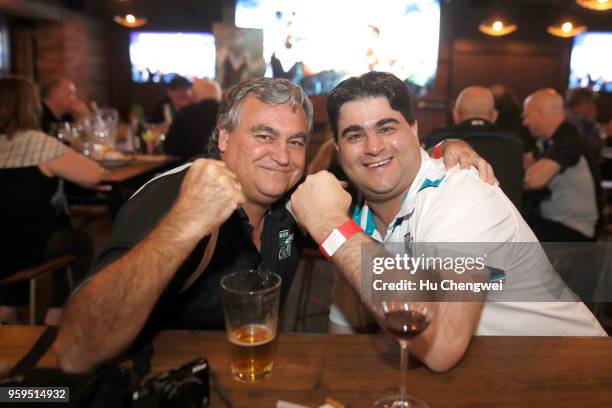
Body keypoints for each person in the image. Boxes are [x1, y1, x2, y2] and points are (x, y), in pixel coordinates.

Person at [54, 76, 493, 373]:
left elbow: (375, 165)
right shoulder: (176, 196)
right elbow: (75, 350)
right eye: (264, 136)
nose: (282, 157)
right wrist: (183, 226)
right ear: (224, 138)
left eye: (296, 141)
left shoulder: (291, 196)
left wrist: (444, 149)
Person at [289, 72, 606, 373]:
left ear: (414, 131)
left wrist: (331, 228)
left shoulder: (460, 193)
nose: (373, 147)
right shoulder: (361, 222)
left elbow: (441, 346)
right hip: (491, 376)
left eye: (387, 128)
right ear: (338, 148)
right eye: (355, 135)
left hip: (576, 370)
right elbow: (344, 339)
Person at [0, 76, 105, 325]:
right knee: (78, 241)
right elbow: (93, 176)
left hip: (5, 248)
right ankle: (55, 315)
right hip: (32, 247)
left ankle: (7, 309)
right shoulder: (39, 144)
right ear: (30, 105)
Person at [426, 86, 524, 209]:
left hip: (452, 223)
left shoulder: (438, 141)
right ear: (494, 116)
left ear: (455, 115)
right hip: (507, 224)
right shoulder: (515, 144)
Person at [523, 89, 601, 242]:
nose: (525, 122)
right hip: (559, 224)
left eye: (527, 115)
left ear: (542, 112)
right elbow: (527, 161)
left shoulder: (568, 137)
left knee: (515, 232)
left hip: (575, 231)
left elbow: (534, 180)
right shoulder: (550, 139)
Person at [163, 78, 222, 161]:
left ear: (195, 95)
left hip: (193, 167)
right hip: (224, 167)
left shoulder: (185, 113)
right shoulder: (229, 111)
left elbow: (170, 148)